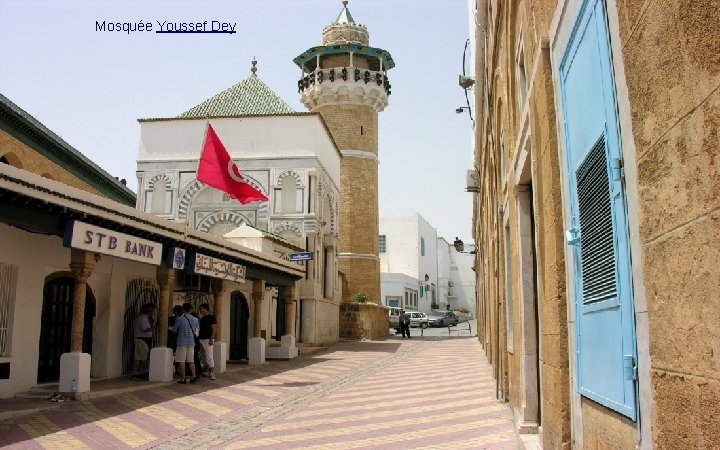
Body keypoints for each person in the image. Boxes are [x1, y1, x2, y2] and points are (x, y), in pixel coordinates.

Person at [174, 302, 199, 384]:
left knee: (181, 361)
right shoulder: (195, 319)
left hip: (181, 342)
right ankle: (194, 376)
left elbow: (175, 330)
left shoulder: (179, 319)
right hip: (191, 342)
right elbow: (195, 330)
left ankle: (183, 378)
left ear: (183, 309)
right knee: (191, 360)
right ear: (191, 309)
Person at [133, 303, 155, 378]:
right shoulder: (143, 318)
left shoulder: (146, 318)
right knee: (139, 357)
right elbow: (145, 329)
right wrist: (155, 327)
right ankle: (136, 372)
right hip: (141, 339)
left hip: (145, 339)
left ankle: (141, 372)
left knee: (143, 357)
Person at [198, 303, 218, 380]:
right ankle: (206, 370)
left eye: (201, 309)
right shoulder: (202, 318)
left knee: (209, 355)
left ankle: (212, 372)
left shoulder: (211, 318)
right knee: (202, 356)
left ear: (206, 309)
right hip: (201, 338)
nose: (200, 310)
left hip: (207, 339)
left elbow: (214, 328)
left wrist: (211, 338)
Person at [168, 305, 183, 374]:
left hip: (178, 338)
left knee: (179, 354)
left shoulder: (182, 319)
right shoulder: (170, 318)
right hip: (171, 337)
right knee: (170, 353)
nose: (172, 311)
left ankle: (177, 369)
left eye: (174, 310)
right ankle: (170, 367)